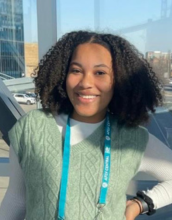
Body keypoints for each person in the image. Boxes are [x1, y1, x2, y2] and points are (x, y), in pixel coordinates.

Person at [0, 30, 172, 220]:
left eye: (100, 72)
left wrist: (141, 204)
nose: (86, 83)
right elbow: (16, 199)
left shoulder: (132, 138)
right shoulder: (31, 128)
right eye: (76, 70)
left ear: (119, 80)